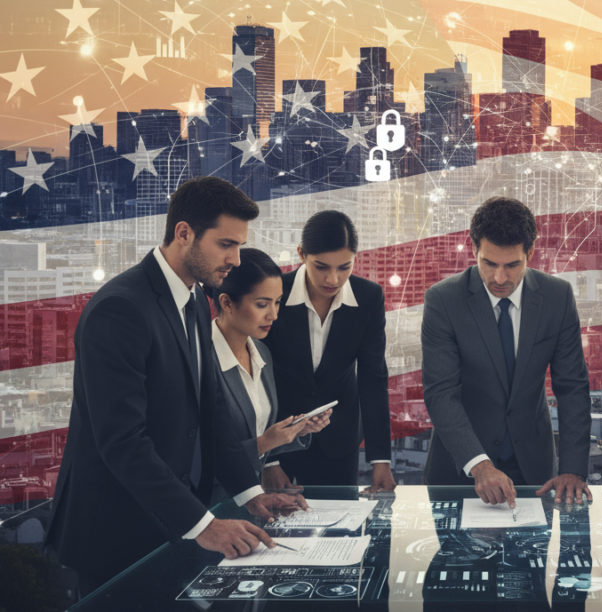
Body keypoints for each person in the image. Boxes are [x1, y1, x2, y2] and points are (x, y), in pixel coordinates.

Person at [46, 178, 300, 596]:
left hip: (167, 525)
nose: (236, 259)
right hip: (114, 532)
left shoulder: (196, 299)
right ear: (184, 234)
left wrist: (250, 492)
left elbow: (211, 407)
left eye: (239, 246)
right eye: (226, 244)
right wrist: (204, 525)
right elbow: (122, 441)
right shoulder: (121, 308)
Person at [421, 196, 593, 506]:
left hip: (533, 467)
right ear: (475, 251)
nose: (499, 278)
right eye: (489, 263)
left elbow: (572, 388)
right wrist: (480, 465)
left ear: (530, 253)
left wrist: (572, 470)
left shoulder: (558, 297)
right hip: (461, 466)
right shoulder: (443, 300)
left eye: (512, 265)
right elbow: (441, 393)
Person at [261, 210, 395, 491]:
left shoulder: (369, 297)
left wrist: (380, 460)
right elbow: (257, 377)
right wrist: (268, 461)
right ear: (301, 254)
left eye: (344, 267)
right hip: (277, 436)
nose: (333, 279)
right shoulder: (274, 293)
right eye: (321, 266)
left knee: (341, 530)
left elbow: (373, 378)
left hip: (338, 439)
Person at [209, 248, 332, 495]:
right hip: (211, 503)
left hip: (253, 497)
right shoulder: (202, 359)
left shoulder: (262, 353)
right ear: (226, 302)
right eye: (262, 304)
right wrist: (265, 442)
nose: (274, 315)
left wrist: (297, 431)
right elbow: (199, 456)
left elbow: (256, 436)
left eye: (277, 303)